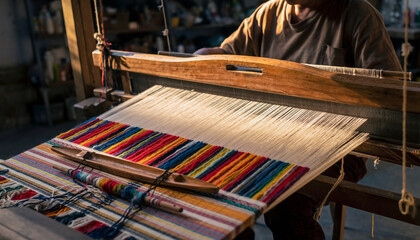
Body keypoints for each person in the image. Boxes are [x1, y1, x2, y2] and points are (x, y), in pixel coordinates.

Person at [194, 0, 402, 239]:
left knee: (288, 202)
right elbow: (229, 55)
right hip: (269, 135)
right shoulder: (268, 13)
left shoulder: (358, 14)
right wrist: (206, 58)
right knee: (218, 179)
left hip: (341, 146)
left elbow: (390, 93)